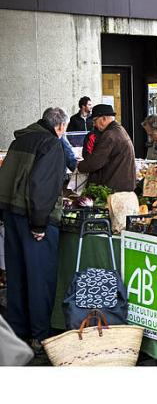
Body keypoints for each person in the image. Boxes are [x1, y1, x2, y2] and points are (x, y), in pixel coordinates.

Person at [0, 107, 68, 353]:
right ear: (59, 126)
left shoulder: (20, 140)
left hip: (12, 215)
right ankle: (39, 337)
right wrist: (39, 224)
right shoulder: (51, 144)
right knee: (40, 280)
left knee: (17, 276)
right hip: (33, 219)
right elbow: (43, 186)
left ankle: (17, 335)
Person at [77, 104, 136, 192]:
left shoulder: (110, 135)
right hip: (123, 185)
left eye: (94, 121)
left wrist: (79, 166)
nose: (94, 125)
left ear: (103, 118)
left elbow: (95, 162)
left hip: (115, 187)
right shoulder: (119, 129)